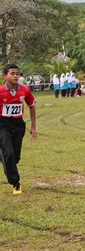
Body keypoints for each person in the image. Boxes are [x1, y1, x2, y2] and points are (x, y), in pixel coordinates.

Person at [0, 64, 37, 195]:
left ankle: (3, 156)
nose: (16, 75)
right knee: (8, 153)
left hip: (18, 125)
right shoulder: (0, 91)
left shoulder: (25, 90)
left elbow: (32, 106)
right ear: (5, 76)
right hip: (3, 124)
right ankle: (15, 183)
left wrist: (33, 127)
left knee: (14, 158)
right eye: (12, 73)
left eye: (17, 73)